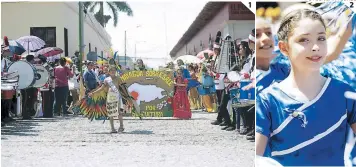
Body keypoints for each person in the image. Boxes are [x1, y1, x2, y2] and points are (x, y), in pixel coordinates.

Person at [256, 9, 356, 166]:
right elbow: (256, 156)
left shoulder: (344, 93)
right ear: (284, 48)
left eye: (321, 38)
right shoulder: (268, 100)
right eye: (304, 40)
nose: (316, 47)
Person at [71, 66, 141, 133]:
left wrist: (128, 97)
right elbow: (101, 88)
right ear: (109, 72)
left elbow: (123, 88)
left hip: (117, 97)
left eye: (114, 70)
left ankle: (121, 126)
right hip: (110, 97)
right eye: (111, 70)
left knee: (119, 112)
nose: (113, 72)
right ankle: (112, 128)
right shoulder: (106, 79)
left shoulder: (118, 79)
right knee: (110, 113)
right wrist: (93, 93)